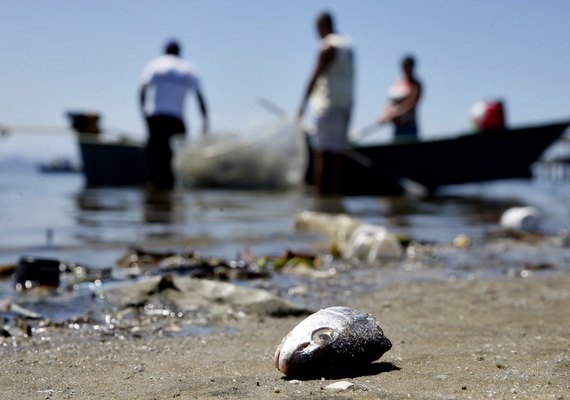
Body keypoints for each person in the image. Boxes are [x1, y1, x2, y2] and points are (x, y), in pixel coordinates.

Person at [297, 11, 354, 196]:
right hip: (346, 105)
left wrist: (303, 104)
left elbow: (315, 75)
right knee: (336, 156)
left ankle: (321, 202)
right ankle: (335, 199)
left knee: (322, 156)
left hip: (328, 106)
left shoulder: (327, 47)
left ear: (323, 26)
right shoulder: (348, 44)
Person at [139, 39, 209, 190]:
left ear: (165, 50)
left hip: (156, 117)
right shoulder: (189, 68)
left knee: (154, 159)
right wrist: (205, 120)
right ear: (179, 52)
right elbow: (199, 97)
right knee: (175, 158)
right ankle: (171, 194)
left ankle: (154, 192)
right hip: (176, 119)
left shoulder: (155, 65)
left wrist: (143, 114)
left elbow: (142, 90)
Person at [380, 55, 422, 139]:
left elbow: (411, 104)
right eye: (405, 67)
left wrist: (396, 113)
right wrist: (385, 114)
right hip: (397, 128)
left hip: (409, 127)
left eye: (409, 67)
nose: (407, 70)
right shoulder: (398, 84)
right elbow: (390, 102)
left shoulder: (416, 85)